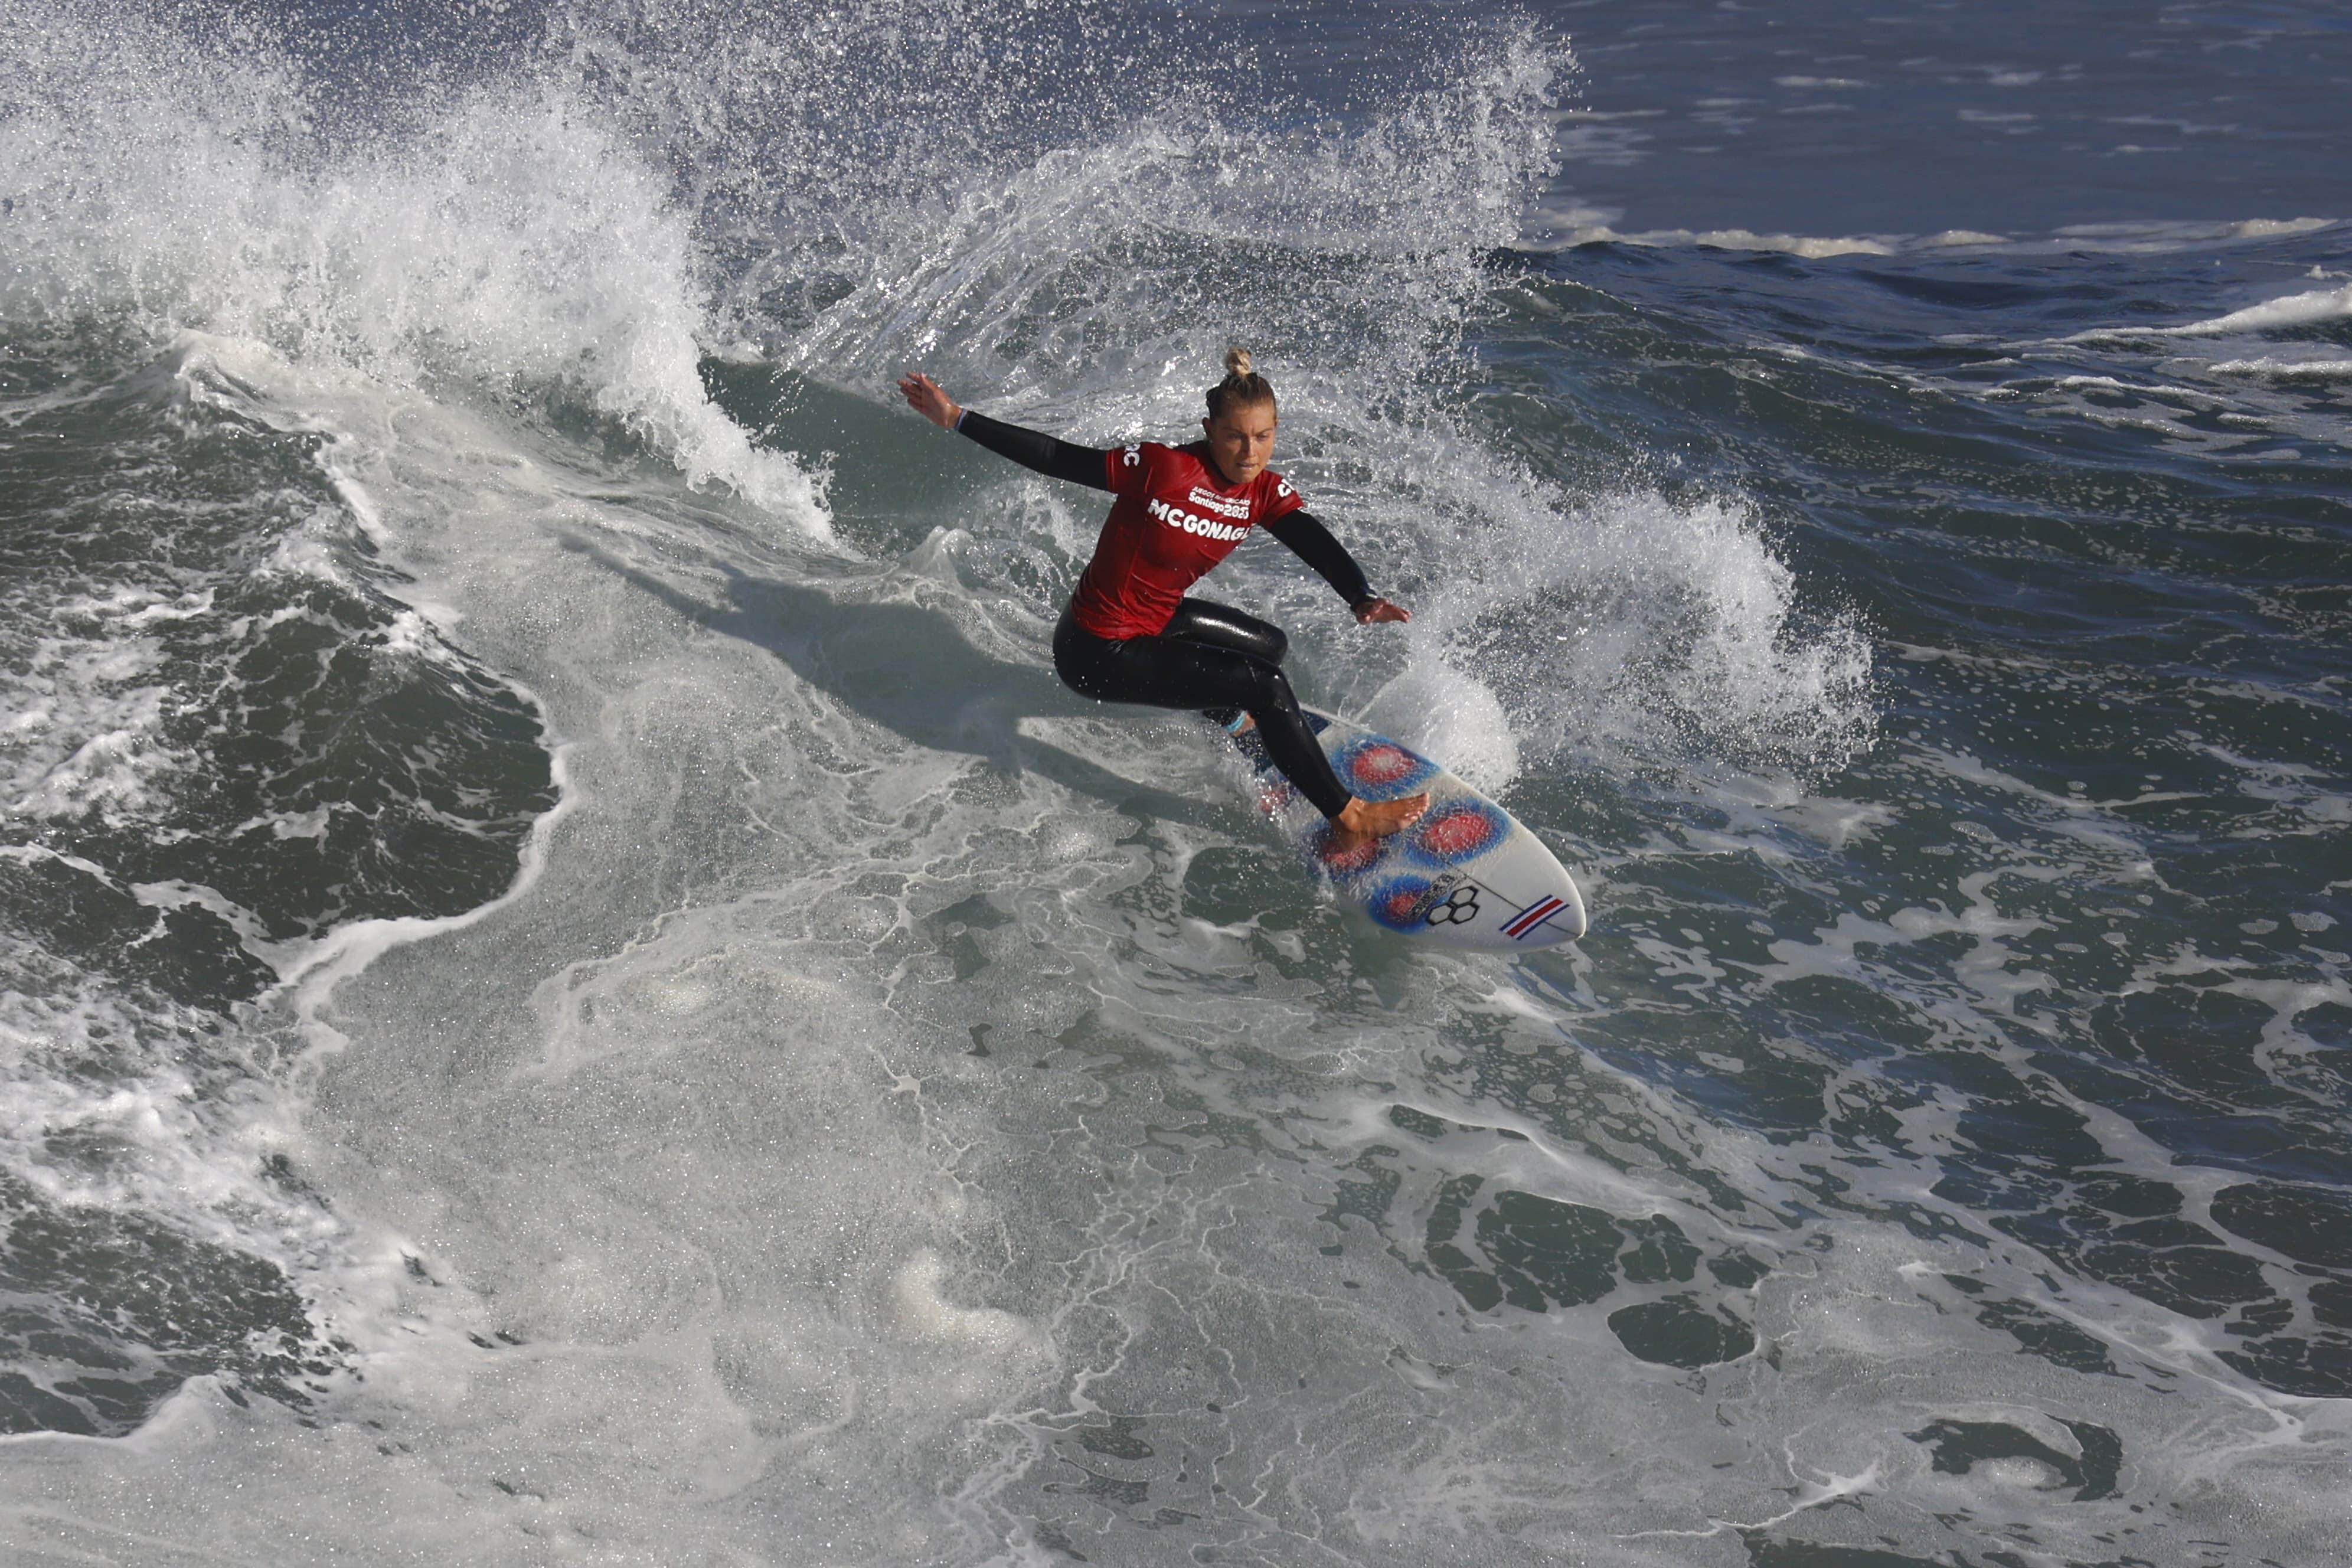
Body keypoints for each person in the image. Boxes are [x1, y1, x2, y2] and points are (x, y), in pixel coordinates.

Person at [897, 348, 1429, 854]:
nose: (1249, 453)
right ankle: (1349, 819)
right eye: (1235, 437)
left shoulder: (1262, 491)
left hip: (1152, 624)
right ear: (1208, 432)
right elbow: (1057, 457)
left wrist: (1360, 595)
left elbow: (1308, 535)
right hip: (1096, 651)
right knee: (1265, 686)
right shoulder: (1162, 469)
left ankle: (1225, 714)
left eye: (1263, 437)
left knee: (1270, 647)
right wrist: (958, 419)